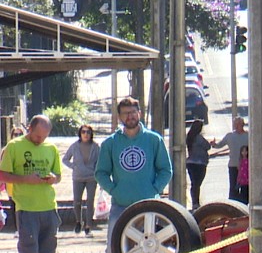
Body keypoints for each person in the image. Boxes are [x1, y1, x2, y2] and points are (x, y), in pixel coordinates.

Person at [0, 115, 62, 253]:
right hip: (26, 209)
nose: (39, 140)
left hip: (49, 207)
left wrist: (53, 178)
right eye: (36, 136)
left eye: (44, 137)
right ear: (29, 128)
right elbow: (2, 174)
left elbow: (58, 175)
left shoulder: (51, 149)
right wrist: (26, 179)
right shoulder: (14, 146)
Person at [96, 96, 174, 243]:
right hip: (120, 207)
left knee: (150, 249)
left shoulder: (154, 140)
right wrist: (114, 190)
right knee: (115, 251)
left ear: (139, 113)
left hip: (149, 206)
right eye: (125, 113)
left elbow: (165, 170)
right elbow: (101, 173)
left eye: (133, 112)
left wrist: (155, 189)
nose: (130, 116)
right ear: (119, 117)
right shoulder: (110, 143)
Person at [62, 125, 100, 235]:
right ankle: (78, 221)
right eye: (83, 132)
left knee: (90, 201)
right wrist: (74, 166)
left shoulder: (95, 147)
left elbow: (100, 161)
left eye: (88, 132)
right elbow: (65, 159)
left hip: (91, 177)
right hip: (78, 177)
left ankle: (88, 225)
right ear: (80, 133)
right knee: (77, 201)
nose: (86, 134)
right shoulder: (74, 146)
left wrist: (96, 170)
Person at [212, 116, 248, 201]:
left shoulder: (248, 136)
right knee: (233, 186)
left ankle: (244, 204)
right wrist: (214, 144)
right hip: (233, 165)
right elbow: (219, 145)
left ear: (242, 124)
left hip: (246, 165)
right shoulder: (229, 136)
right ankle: (233, 204)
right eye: (236, 124)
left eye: (238, 124)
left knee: (245, 186)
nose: (237, 126)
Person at [185, 119, 211, 209]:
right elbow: (208, 146)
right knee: (198, 183)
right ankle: (196, 202)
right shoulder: (199, 138)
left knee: (194, 183)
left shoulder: (189, 137)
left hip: (190, 162)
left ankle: (195, 202)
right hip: (200, 163)